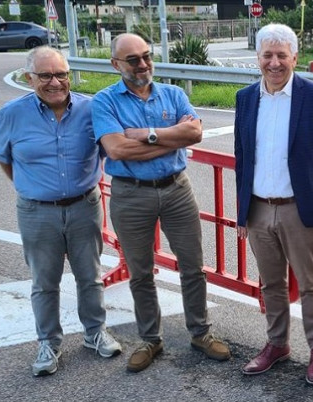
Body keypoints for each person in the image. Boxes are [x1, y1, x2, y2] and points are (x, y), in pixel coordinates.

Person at [91, 33, 230, 373]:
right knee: (140, 272)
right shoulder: (105, 101)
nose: (143, 64)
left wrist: (147, 135)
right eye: (133, 60)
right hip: (130, 193)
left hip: (176, 189)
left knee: (193, 266)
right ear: (115, 64)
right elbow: (117, 150)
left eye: (146, 56)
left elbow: (195, 133)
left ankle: (200, 333)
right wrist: (172, 138)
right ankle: (150, 339)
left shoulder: (173, 93)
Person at [0, 46, 122, 376]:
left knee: (89, 276)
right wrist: (34, 188)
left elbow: (107, 149)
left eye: (61, 74)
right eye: (46, 75)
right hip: (37, 212)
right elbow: (5, 159)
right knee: (44, 281)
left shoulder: (91, 109)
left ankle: (95, 333)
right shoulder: (11, 114)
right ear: (29, 78)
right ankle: (48, 342)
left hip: (84, 206)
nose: (55, 82)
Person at [233, 23, 313, 385]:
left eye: (282, 55)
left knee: (311, 285)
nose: (275, 63)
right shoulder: (245, 98)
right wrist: (241, 212)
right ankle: (277, 343)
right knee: (271, 283)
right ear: (257, 58)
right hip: (258, 207)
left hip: (299, 207)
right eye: (267, 55)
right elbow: (241, 156)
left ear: (295, 58)